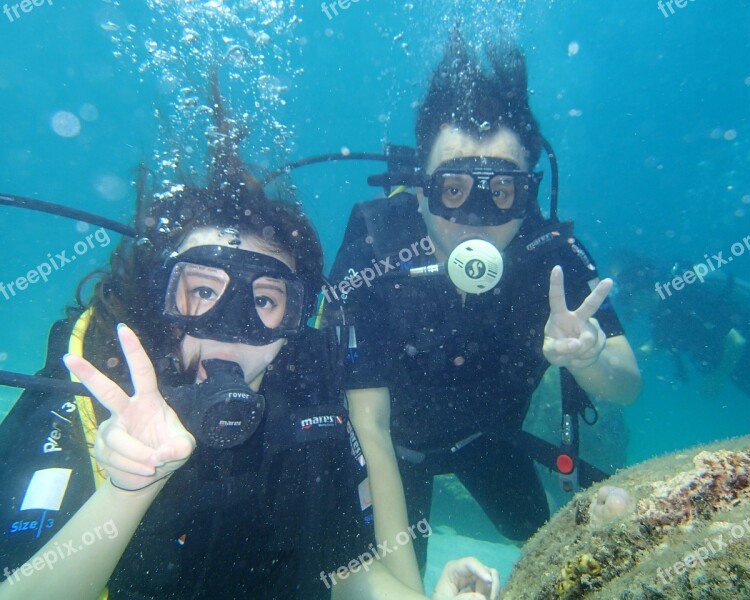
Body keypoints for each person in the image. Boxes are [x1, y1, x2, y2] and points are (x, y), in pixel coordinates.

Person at [0, 105, 499, 599]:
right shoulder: (98, 390)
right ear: (163, 299)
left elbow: (346, 571)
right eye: (202, 292)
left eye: (263, 300)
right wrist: (127, 489)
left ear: (293, 322)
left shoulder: (305, 400)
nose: (231, 330)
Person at [326, 32, 642, 571]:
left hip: (490, 438)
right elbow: (368, 424)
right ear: (420, 186)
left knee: (546, 553)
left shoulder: (552, 259)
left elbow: (627, 385)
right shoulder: (376, 244)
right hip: (392, 452)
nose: (474, 217)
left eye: (500, 192)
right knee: (393, 569)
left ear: (529, 192)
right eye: (453, 189)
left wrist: (588, 356)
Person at [615, 252, 750, 401]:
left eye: (627, 299)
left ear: (643, 291)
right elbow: (657, 344)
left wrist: (717, 380)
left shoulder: (685, 301)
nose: (628, 308)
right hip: (734, 366)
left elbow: (736, 341)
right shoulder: (660, 311)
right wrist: (620, 362)